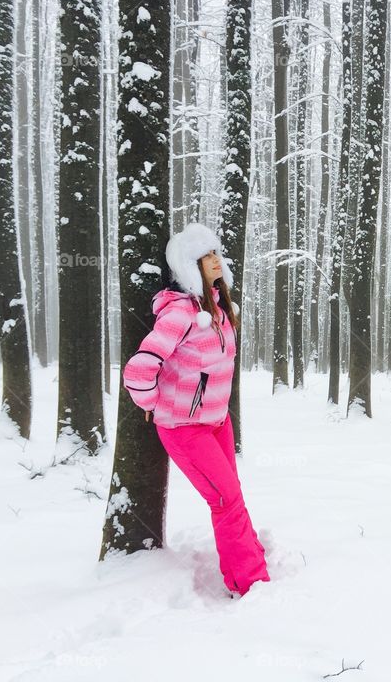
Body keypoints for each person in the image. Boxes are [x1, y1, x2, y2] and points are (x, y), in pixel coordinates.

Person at [122, 222, 270, 598]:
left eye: (216, 253)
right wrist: (155, 405)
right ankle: (249, 582)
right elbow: (139, 371)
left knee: (232, 495)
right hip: (184, 428)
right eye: (204, 257)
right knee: (226, 501)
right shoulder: (180, 313)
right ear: (189, 265)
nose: (215, 261)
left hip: (217, 422)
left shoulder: (219, 310)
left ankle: (252, 562)